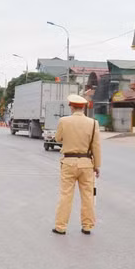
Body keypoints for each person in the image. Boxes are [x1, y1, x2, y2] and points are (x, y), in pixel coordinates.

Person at [53, 94, 101, 236]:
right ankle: (87, 226)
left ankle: (60, 227)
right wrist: (97, 165)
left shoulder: (64, 121)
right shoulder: (93, 123)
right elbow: (96, 146)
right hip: (86, 163)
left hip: (68, 162)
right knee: (88, 196)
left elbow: (58, 138)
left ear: (71, 106)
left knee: (66, 195)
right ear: (84, 107)